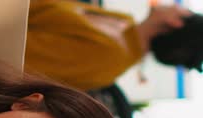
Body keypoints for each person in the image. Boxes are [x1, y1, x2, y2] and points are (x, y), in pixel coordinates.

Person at [25, 0, 194, 91]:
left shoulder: (110, 59)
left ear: (175, 22)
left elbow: (23, 55)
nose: (175, 5)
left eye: (185, 10)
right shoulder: (125, 21)